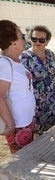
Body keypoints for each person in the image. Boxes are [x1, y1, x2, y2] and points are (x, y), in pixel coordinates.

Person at [0, 20, 36, 153]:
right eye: (22, 36)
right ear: (12, 42)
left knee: (29, 156)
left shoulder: (17, 61)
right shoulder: (4, 64)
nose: (25, 39)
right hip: (18, 125)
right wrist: (10, 124)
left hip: (26, 120)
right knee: (23, 161)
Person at [21, 25, 55, 137]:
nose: (37, 42)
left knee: (51, 130)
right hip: (36, 103)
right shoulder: (25, 57)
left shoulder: (50, 54)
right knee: (37, 134)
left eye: (41, 40)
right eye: (34, 39)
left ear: (47, 41)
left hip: (52, 99)